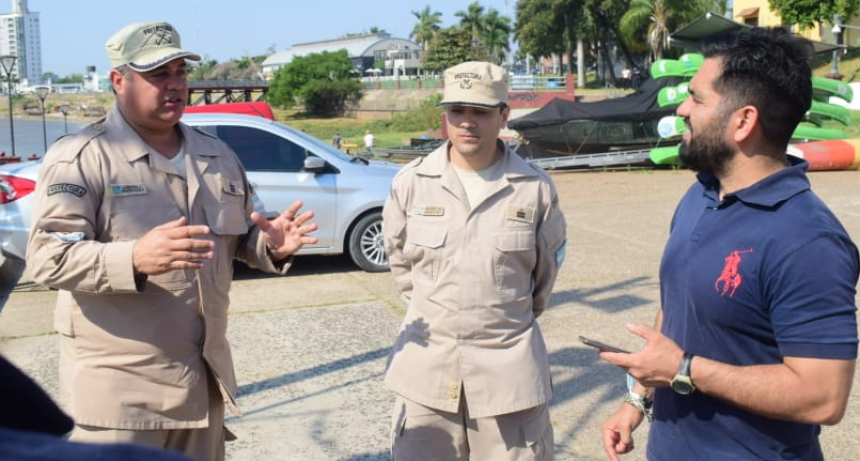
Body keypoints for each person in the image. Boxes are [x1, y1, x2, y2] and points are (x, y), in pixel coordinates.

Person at [25, 21, 318, 461]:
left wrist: (270, 245)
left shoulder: (216, 154)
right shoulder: (83, 156)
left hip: (203, 388)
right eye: (158, 74)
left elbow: (237, 239)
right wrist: (134, 258)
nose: (175, 85)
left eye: (180, 72)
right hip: (121, 400)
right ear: (119, 81)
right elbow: (47, 257)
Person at [599, 27, 859, 461]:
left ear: (743, 121)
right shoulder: (702, 194)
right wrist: (637, 401)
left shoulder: (809, 240)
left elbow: (823, 398)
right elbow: (680, 309)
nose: (683, 108)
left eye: (697, 99)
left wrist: (684, 370)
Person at [383, 61, 568, 460]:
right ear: (445, 116)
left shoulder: (535, 189)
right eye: (457, 111)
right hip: (426, 380)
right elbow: (402, 265)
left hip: (509, 382)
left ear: (504, 115)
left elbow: (543, 280)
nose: (467, 122)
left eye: (480, 112)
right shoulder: (411, 184)